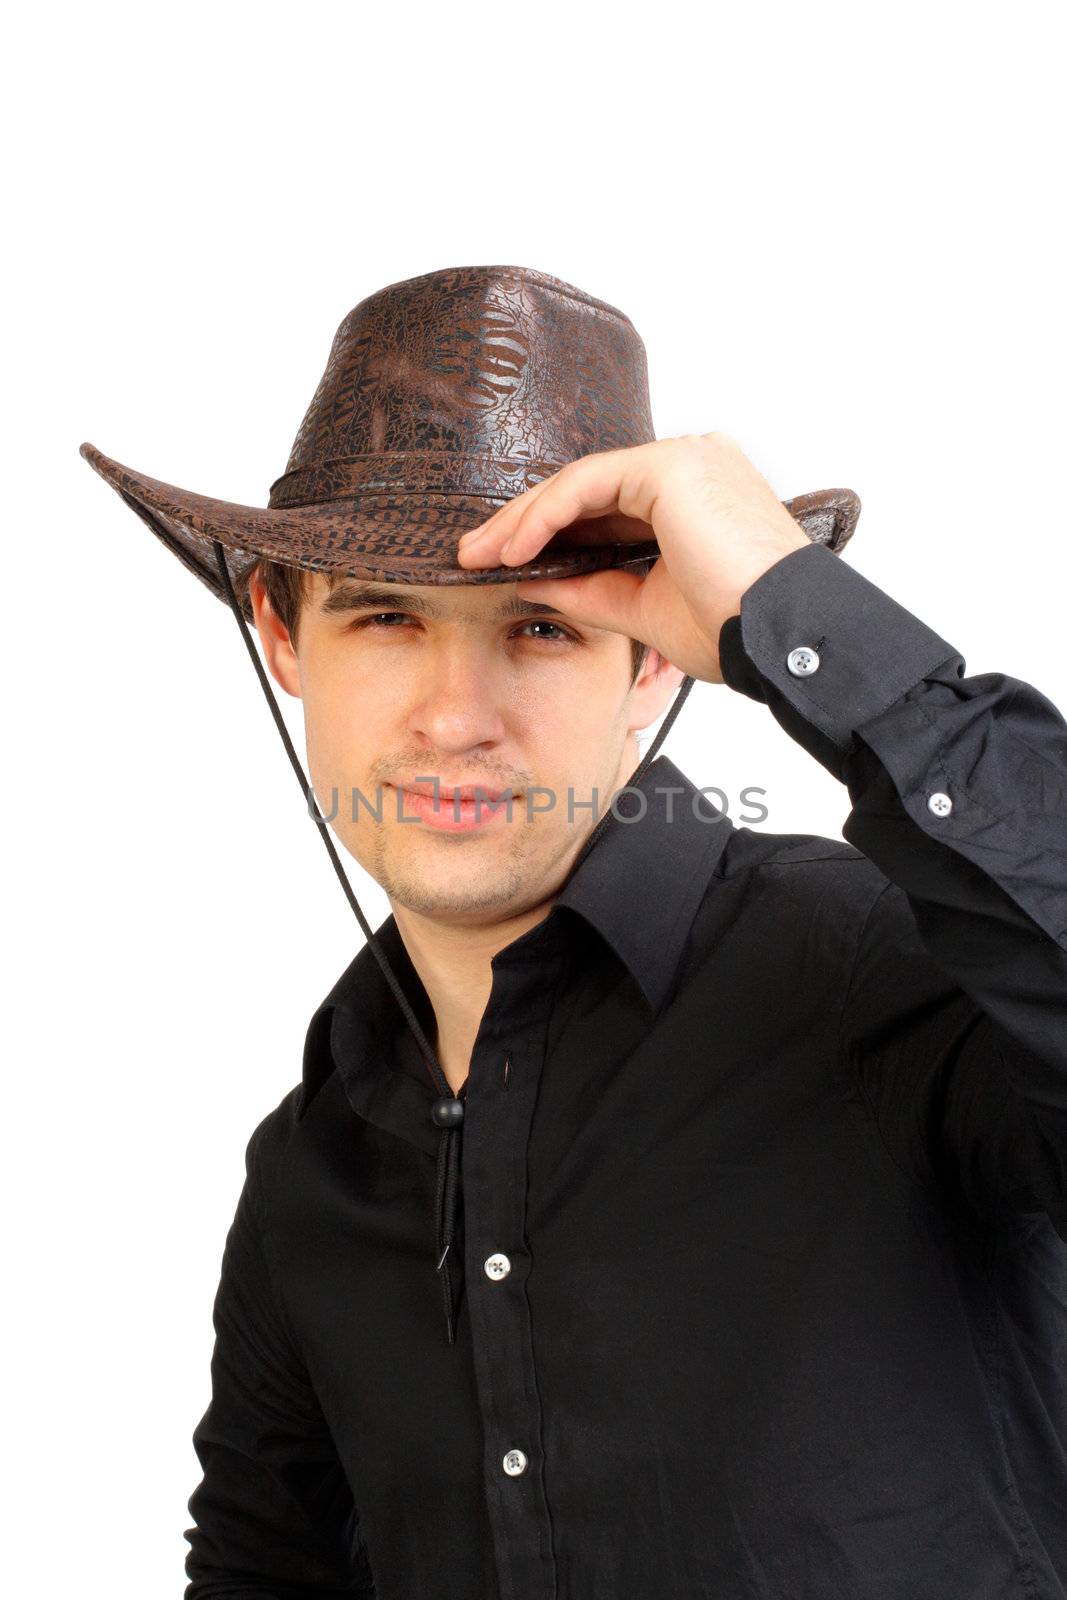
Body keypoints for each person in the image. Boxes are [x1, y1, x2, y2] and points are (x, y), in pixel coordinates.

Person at [81, 264, 1067, 1599]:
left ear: (655, 658)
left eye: (540, 626)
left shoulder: (901, 978)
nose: (454, 715)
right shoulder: (313, 1168)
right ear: (281, 629)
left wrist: (791, 611)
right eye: (386, 617)